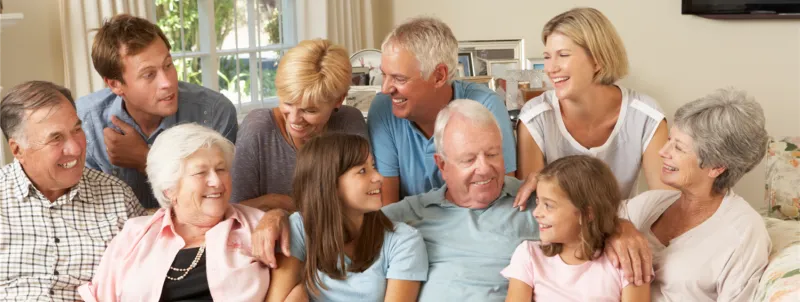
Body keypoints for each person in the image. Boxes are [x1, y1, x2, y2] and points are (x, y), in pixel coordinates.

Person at [252, 100, 653, 302]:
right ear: (441, 164)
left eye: (493, 154)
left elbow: (588, 213)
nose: (486, 169)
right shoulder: (407, 215)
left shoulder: (537, 203)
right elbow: (337, 215)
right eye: (468, 159)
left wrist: (621, 227)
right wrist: (275, 217)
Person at [78, 123, 269, 301]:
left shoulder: (259, 226)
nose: (217, 182)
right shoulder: (134, 235)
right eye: (201, 173)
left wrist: (279, 216)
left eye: (221, 169)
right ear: (169, 189)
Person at [0, 81, 146, 301]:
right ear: (18, 150)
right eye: (56, 138)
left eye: (77, 130)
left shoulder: (118, 198)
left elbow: (149, 281)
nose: (76, 149)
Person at [622, 88, 771, 301]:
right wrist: (622, 228)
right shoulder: (650, 204)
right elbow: (586, 221)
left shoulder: (743, 232)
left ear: (716, 166)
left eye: (679, 148)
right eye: (669, 140)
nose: (663, 152)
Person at [76, 14, 238, 209]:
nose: (167, 82)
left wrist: (145, 158)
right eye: (149, 75)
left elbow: (222, 203)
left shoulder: (213, 112)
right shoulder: (86, 121)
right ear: (115, 84)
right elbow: (92, 211)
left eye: (168, 65)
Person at [516, 7, 670, 199]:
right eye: (547, 57)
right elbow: (532, 204)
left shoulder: (647, 117)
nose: (551, 68)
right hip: (557, 227)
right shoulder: (534, 118)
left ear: (598, 60)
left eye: (563, 55)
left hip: (625, 226)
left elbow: (665, 204)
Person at [368, 17, 517, 204]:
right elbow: (387, 211)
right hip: (408, 228)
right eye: (384, 74)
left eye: (399, 78)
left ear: (439, 76)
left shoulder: (486, 106)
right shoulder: (383, 109)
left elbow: (504, 199)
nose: (386, 88)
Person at [266, 133, 428, 301]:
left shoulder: (404, 241)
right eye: (363, 171)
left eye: (374, 166)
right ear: (330, 184)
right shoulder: (300, 227)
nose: (379, 178)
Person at [231, 39, 368, 211]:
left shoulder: (349, 122)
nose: (294, 119)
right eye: (288, 104)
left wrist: (285, 204)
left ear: (339, 100)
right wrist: (276, 202)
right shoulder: (258, 129)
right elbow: (232, 211)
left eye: (309, 111)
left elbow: (363, 200)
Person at [502, 155, 650, 301]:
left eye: (548, 205)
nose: (536, 213)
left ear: (587, 213)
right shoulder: (529, 255)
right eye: (538, 202)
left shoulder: (626, 260)